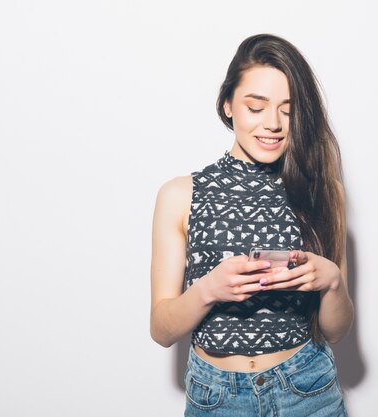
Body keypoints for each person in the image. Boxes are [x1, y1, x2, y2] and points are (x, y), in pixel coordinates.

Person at [150, 33, 354, 417]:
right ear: (228, 105)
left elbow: (335, 330)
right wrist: (209, 289)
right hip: (216, 397)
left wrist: (332, 281)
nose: (273, 124)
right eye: (256, 107)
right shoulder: (181, 195)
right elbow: (161, 330)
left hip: (307, 389)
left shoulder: (326, 193)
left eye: (288, 110)